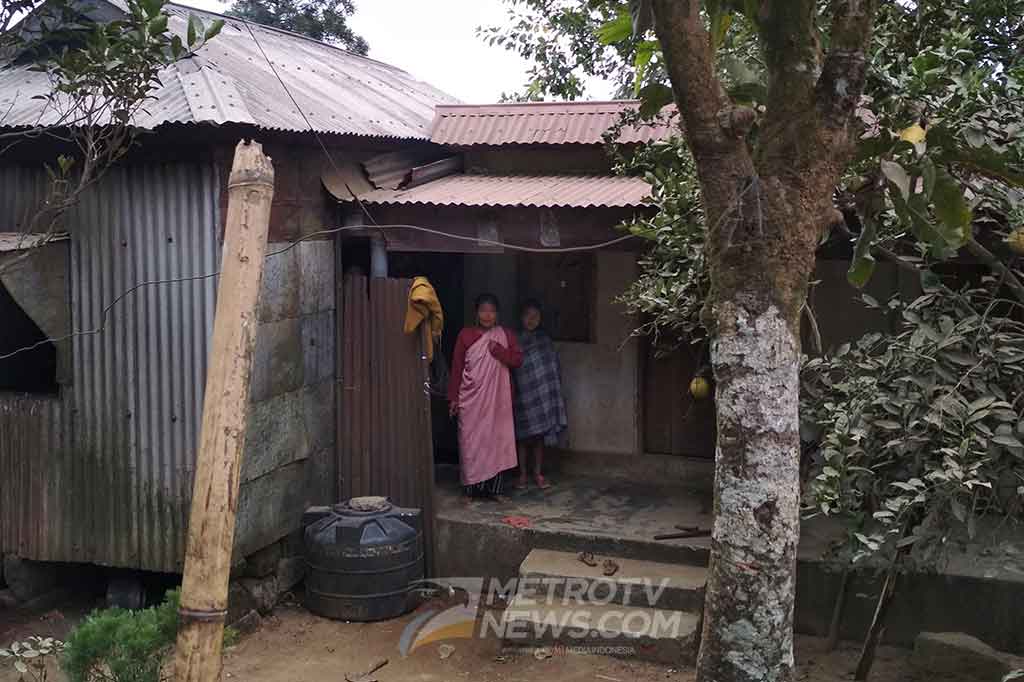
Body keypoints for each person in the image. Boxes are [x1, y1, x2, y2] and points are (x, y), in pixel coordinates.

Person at [448, 293, 523, 501]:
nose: (487, 315)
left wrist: (499, 351)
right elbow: (456, 367)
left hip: (498, 402)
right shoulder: (465, 335)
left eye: (491, 311)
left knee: (496, 442)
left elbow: (517, 360)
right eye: (483, 310)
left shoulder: (505, 335)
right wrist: (454, 398)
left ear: (497, 314)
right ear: (476, 313)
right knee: (470, 442)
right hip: (471, 400)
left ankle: (495, 490)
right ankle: (471, 490)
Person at [512, 300, 567, 490]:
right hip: (522, 395)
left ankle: (537, 473)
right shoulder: (515, 339)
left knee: (538, 439)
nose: (532, 320)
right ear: (521, 317)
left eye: (536, 316)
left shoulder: (545, 340)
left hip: (541, 397)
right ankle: (522, 474)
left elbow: (551, 369)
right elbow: (513, 367)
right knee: (522, 438)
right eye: (528, 315)